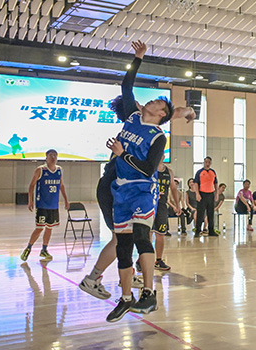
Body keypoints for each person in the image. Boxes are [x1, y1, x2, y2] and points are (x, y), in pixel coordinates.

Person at [78, 46, 195, 305]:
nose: (145, 103)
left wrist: (187, 111)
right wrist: (137, 59)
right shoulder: (133, 118)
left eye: (151, 103)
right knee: (122, 238)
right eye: (144, 103)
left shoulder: (150, 129)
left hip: (127, 188)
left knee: (128, 237)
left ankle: (123, 279)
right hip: (113, 185)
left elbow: (167, 114)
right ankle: (95, 279)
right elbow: (130, 89)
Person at [21, 149, 69, 261]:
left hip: (53, 205)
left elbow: (61, 185)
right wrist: (30, 200)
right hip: (42, 204)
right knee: (39, 228)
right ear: (46, 157)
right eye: (50, 155)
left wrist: (66, 200)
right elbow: (31, 185)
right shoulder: (40, 170)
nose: (53, 157)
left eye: (55, 155)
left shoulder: (59, 170)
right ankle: (28, 248)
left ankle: (44, 250)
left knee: (49, 228)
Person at [152, 161, 180, 270]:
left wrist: (177, 205)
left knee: (160, 234)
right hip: (149, 205)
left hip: (162, 206)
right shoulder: (150, 167)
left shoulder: (169, 172)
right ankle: (142, 260)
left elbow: (173, 188)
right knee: (148, 233)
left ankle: (158, 260)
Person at [194, 157, 219, 236]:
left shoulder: (213, 172)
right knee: (200, 213)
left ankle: (211, 230)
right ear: (204, 163)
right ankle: (198, 230)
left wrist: (216, 194)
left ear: (211, 163)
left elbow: (216, 183)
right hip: (202, 194)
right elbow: (196, 183)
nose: (207, 164)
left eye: (209, 162)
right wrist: (197, 194)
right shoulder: (199, 172)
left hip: (210, 194)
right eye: (206, 162)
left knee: (211, 213)